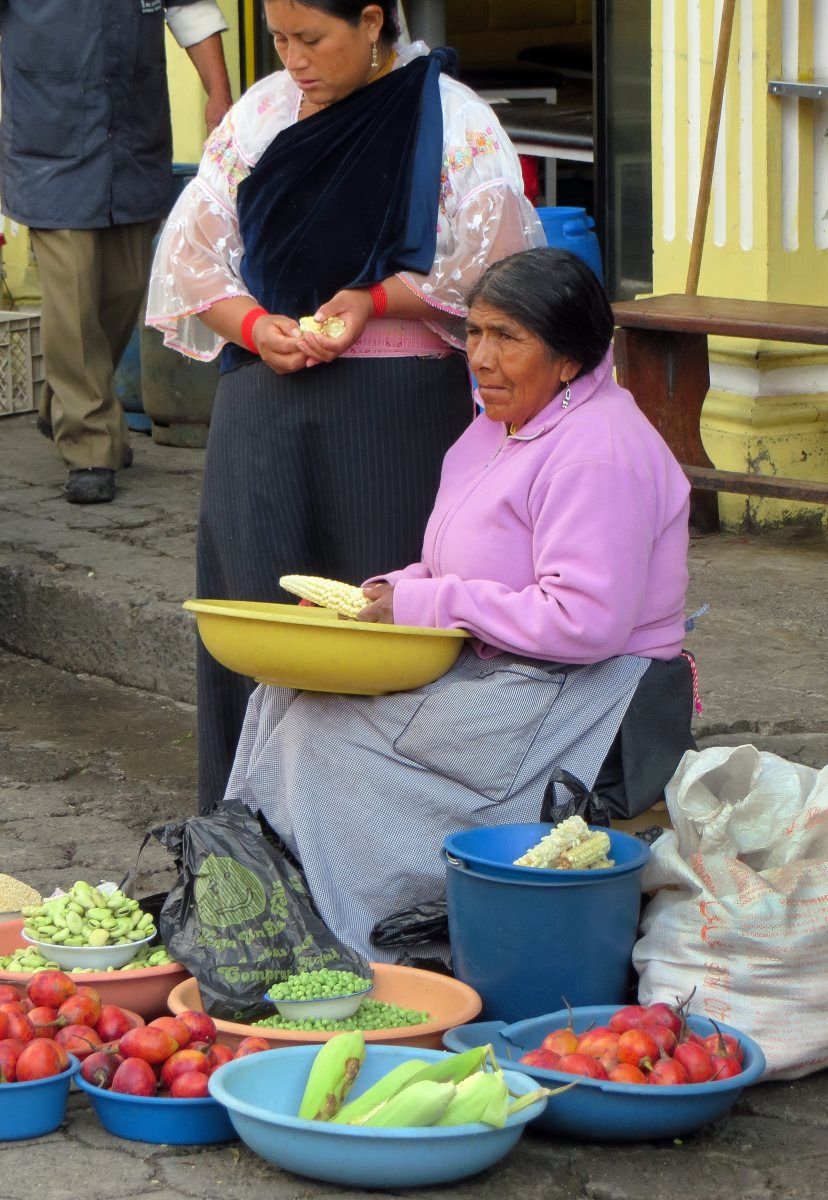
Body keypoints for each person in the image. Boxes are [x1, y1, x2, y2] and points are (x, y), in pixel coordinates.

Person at [223, 248, 696, 961]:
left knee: (324, 742)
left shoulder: (599, 451)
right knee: (282, 698)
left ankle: (352, 939)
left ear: (569, 359)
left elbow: (585, 621)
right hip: (507, 665)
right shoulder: (495, 427)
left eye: (508, 338)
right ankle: (264, 910)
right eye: (474, 333)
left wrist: (432, 602)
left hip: (586, 694)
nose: (482, 357)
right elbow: (455, 562)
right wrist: (393, 589)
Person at [146, 0, 545, 813]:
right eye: (281, 40)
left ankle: (379, 841)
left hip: (395, 418)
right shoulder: (259, 115)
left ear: (372, 23)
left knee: (385, 629)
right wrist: (255, 327)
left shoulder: (453, 120)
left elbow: (495, 268)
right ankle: (245, 846)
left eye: (313, 39)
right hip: (264, 409)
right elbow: (191, 257)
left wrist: (373, 298)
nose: (294, 59)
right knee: (257, 624)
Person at [0, 0, 232, 506]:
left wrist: (218, 92)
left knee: (126, 287)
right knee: (74, 290)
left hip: (132, 136)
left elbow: (190, 9)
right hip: (51, 139)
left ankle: (65, 400)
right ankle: (90, 444)